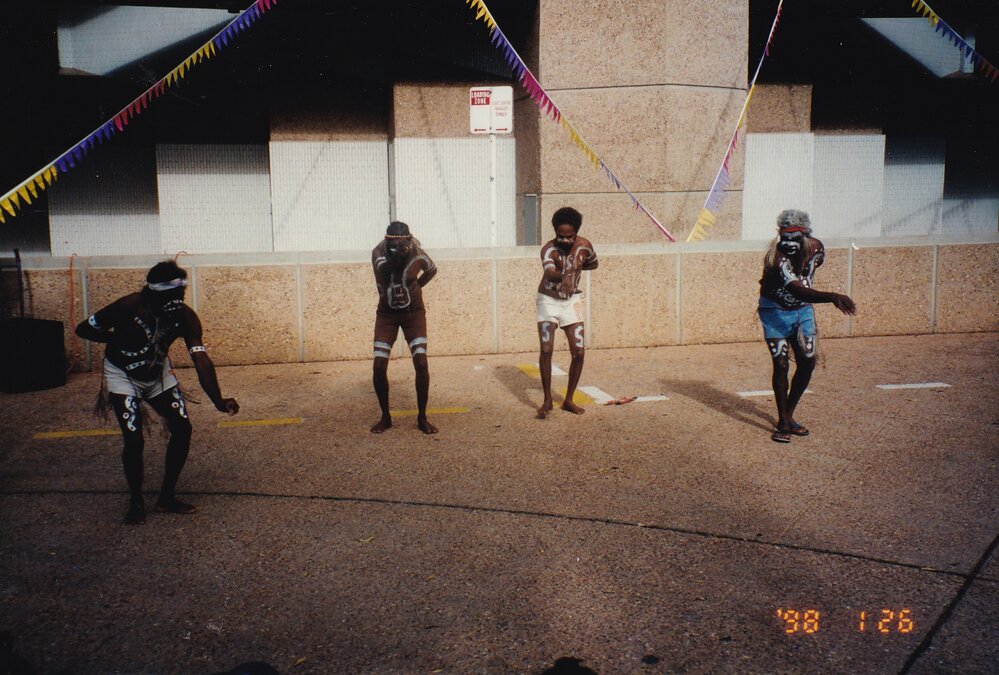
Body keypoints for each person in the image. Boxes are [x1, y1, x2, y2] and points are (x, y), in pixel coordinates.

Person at [75, 260, 239, 524]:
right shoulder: (128, 307)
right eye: (171, 295)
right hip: (122, 375)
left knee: (183, 428)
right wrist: (114, 339)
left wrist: (218, 400)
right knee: (134, 439)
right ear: (154, 292)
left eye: (181, 295)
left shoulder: (185, 317)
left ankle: (166, 497)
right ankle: (136, 501)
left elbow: (201, 360)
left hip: (158, 375)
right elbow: (83, 329)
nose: (177, 301)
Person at [758, 209, 856, 443]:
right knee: (781, 363)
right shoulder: (776, 256)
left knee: (808, 361)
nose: (789, 243)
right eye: (785, 237)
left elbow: (805, 281)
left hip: (802, 312)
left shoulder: (816, 249)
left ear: (805, 235)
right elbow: (796, 288)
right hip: (774, 311)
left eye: (794, 238)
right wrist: (831, 296)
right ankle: (783, 421)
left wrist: (818, 296)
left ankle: (788, 414)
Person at [369, 221, 438, 434]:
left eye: (403, 242)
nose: (399, 247)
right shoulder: (379, 252)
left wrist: (417, 285)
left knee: (421, 362)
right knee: (380, 365)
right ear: (387, 240)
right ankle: (386, 417)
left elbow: (432, 269)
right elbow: (385, 269)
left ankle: (422, 417)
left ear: (409, 239)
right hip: (387, 315)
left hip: (413, 314)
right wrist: (399, 255)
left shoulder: (416, 252)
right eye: (394, 243)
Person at [536, 206, 599, 419]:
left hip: (571, 301)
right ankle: (546, 400)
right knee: (546, 349)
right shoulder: (548, 249)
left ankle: (568, 399)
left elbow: (593, 263)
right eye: (559, 236)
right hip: (548, 300)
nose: (563, 240)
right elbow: (550, 272)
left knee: (579, 351)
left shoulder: (585, 246)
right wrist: (563, 278)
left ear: (577, 232)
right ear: (555, 231)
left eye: (568, 236)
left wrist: (575, 272)